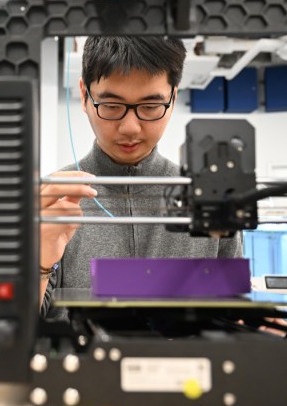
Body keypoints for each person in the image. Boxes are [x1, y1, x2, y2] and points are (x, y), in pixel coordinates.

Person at [39, 36, 243, 316]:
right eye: (111, 105)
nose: (130, 127)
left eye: (150, 106)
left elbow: (231, 312)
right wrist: (39, 264)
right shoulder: (51, 199)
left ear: (174, 97)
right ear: (85, 96)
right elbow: (19, 330)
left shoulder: (209, 197)